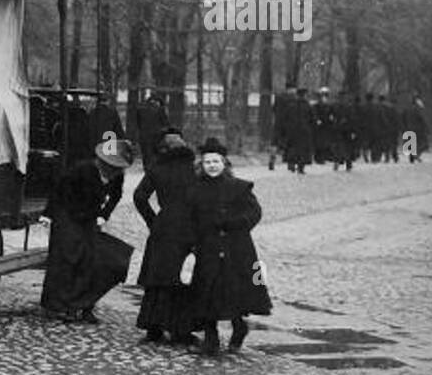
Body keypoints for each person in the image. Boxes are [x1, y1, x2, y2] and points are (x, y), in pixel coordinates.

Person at [185, 138, 272, 356]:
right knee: (207, 291)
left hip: (237, 248)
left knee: (234, 290)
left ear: (224, 163)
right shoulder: (195, 191)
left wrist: (235, 224)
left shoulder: (239, 188)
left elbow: (254, 212)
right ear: (201, 166)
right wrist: (193, 242)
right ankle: (211, 339)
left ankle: (239, 327)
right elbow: (190, 219)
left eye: (216, 161)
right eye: (207, 162)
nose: (212, 166)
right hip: (208, 247)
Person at [39, 138, 135, 323]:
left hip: (89, 218)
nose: (114, 171)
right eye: (111, 165)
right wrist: (48, 214)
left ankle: (82, 305)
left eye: (118, 167)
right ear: (102, 162)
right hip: (67, 215)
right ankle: (55, 307)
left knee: (92, 259)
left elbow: (116, 195)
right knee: (66, 258)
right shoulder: (81, 170)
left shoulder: (117, 176)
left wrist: (103, 215)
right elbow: (59, 190)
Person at [132, 127, 198, 347]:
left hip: (165, 225)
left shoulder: (157, 167)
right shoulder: (194, 168)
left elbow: (140, 196)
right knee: (183, 276)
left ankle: (154, 328)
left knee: (158, 278)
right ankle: (181, 329)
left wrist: (154, 221)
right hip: (190, 226)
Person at [282, 87, 314, 173]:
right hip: (304, 131)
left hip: (292, 131)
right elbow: (312, 119)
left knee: (292, 148)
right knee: (302, 150)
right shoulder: (307, 106)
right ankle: (301, 167)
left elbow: (285, 118)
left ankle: (291, 163)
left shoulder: (291, 105)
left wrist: (287, 128)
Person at [135, 93, 169, 167]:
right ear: (157, 102)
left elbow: (138, 123)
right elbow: (166, 124)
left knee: (146, 156)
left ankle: (147, 169)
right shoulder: (160, 110)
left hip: (143, 137)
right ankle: (153, 171)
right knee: (154, 156)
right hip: (156, 137)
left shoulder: (140, 109)